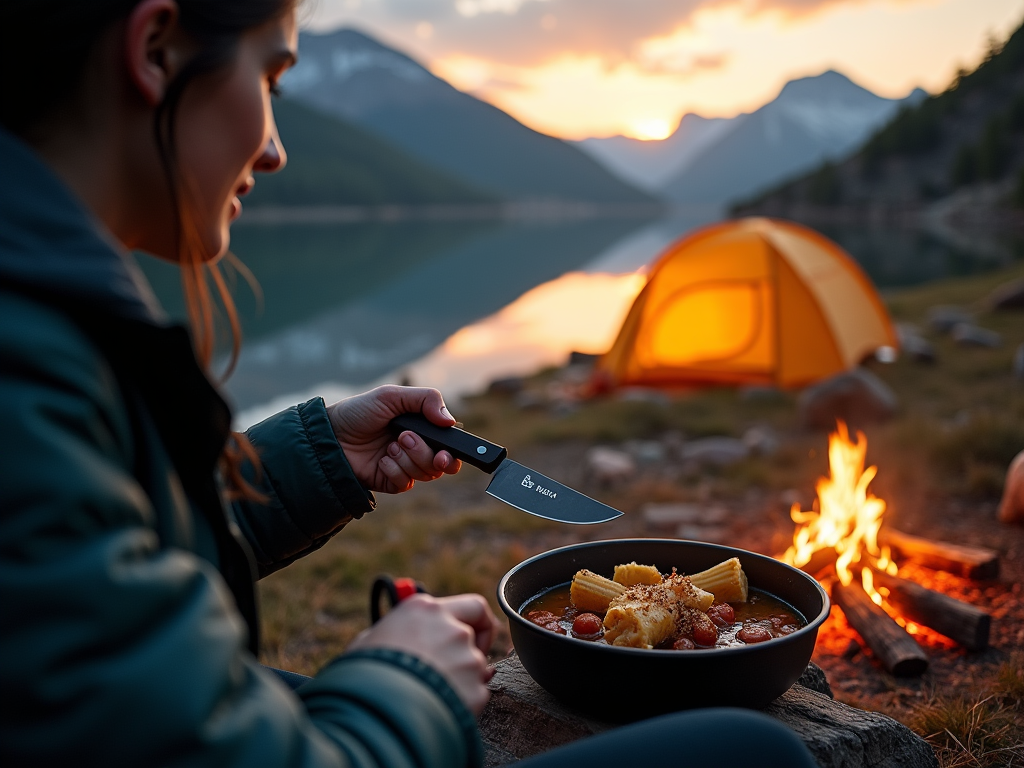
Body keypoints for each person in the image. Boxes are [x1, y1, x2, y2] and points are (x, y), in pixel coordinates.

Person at [0, 2, 819, 766]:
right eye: (270, 79)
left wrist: (319, 456)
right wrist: (405, 679)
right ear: (153, 51)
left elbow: (110, 559)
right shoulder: (28, 365)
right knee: (757, 754)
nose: (276, 148)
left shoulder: (42, 314)